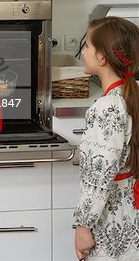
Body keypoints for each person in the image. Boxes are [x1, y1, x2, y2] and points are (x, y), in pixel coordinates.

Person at [73, 16, 139, 261]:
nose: (84, 51)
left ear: (102, 58)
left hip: (111, 221)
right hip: (133, 215)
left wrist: (83, 226)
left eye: (88, 46)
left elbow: (98, 177)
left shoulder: (106, 108)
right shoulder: (133, 94)